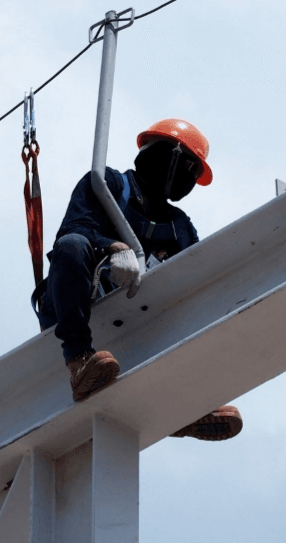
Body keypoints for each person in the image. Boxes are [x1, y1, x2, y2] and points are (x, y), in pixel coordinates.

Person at [34, 118, 242, 441]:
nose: (188, 181)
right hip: (76, 302)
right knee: (72, 246)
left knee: (196, 301)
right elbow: (71, 234)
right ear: (168, 155)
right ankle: (79, 362)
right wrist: (112, 247)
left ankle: (186, 404)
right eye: (190, 169)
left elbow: (197, 282)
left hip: (133, 319)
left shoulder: (179, 227)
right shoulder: (107, 186)